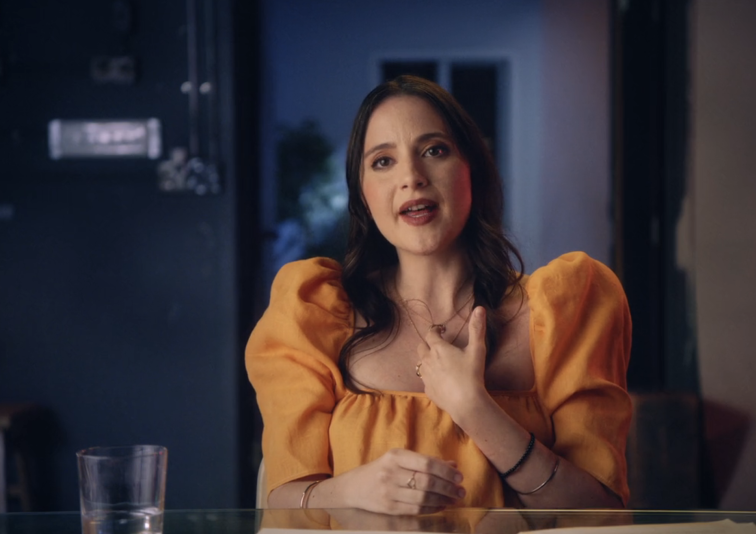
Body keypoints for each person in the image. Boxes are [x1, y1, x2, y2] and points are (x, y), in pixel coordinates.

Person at [246, 75, 632, 515]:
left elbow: (603, 514)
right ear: (364, 196)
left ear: (473, 169)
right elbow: (281, 499)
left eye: (434, 151)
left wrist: (476, 409)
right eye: (383, 162)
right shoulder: (313, 311)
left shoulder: (568, 306)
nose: (412, 177)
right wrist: (349, 492)